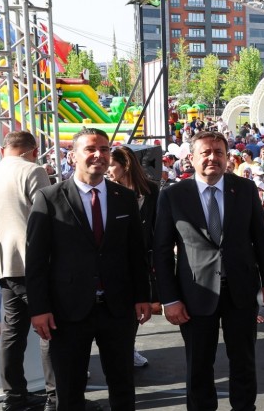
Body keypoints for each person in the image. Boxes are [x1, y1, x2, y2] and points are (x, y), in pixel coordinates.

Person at [26, 127, 152, 411]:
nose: (99, 155)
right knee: (69, 391)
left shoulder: (125, 197)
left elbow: (136, 253)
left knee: (123, 386)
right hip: (67, 311)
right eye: (90, 149)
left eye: (105, 149)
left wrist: (143, 296)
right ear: (72, 156)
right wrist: (39, 308)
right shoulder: (49, 198)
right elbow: (36, 260)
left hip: (118, 309)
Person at [153, 130, 264, 410]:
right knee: (199, 366)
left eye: (219, 152)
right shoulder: (173, 195)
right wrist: (169, 299)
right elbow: (161, 251)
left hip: (241, 291)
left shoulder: (245, 189)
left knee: (244, 362)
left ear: (227, 158)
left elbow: (261, 237)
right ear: (191, 158)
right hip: (194, 294)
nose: (213, 158)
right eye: (206, 153)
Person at [0, 130, 55, 411]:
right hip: (33, 263)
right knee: (50, 328)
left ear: (4, 149)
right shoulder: (34, 171)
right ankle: (56, 396)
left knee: (13, 333)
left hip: (4, 265)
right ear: (33, 150)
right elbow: (45, 219)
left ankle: (14, 397)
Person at [108, 145, 161, 368]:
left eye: (111, 165)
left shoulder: (151, 190)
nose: (107, 169)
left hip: (142, 260)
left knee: (136, 308)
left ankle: (129, 348)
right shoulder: (107, 190)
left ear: (125, 165)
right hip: (113, 261)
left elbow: (157, 225)